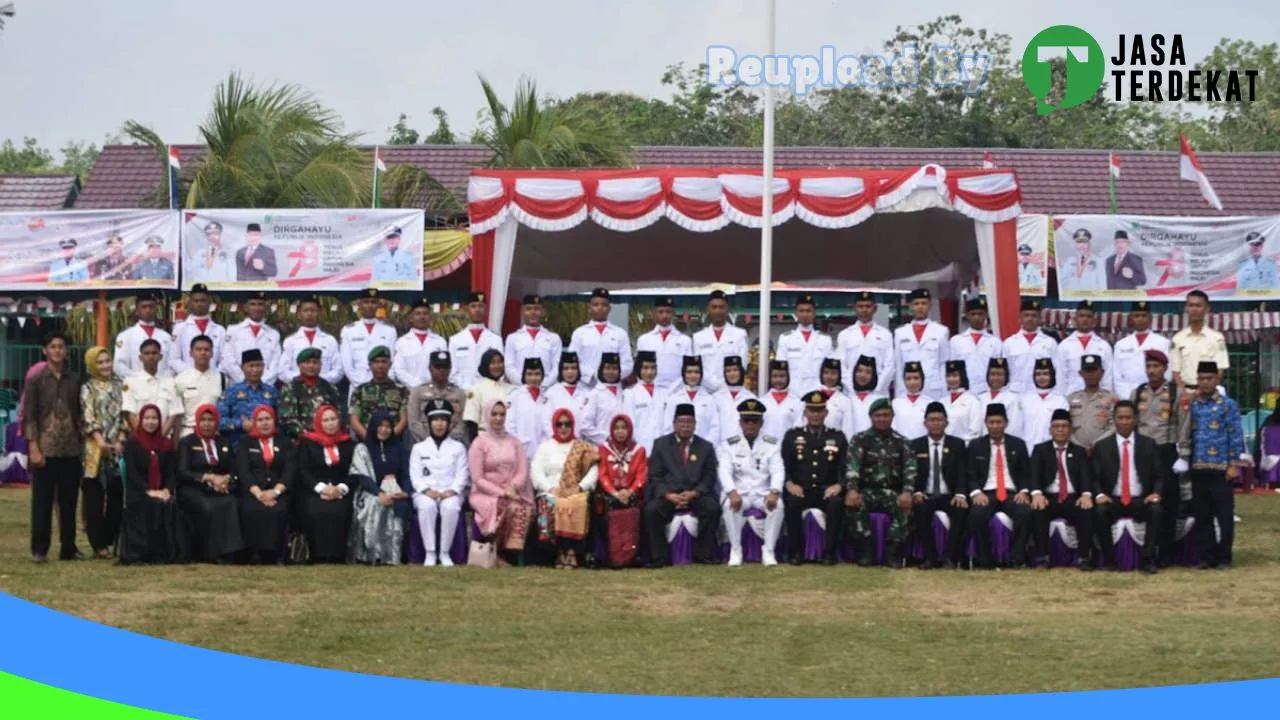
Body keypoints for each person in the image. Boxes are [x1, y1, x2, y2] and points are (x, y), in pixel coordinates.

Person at [1177, 361, 1247, 570]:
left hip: (1221, 468)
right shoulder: (1193, 405)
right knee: (1202, 515)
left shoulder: (1228, 405)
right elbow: (1186, 431)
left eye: (1209, 378)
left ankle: (1224, 557)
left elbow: (1235, 435)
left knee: (1224, 515)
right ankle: (1207, 556)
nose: (1205, 382)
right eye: (1201, 379)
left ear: (1217, 379)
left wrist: (1234, 465)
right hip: (1198, 467)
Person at [24, 333, 84, 563]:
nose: (58, 351)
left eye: (61, 347)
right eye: (53, 347)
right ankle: (40, 549)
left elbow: (79, 413)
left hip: (70, 448)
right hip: (45, 448)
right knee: (42, 501)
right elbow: (29, 417)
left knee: (69, 502)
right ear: (45, 351)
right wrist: (33, 447)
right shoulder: (36, 380)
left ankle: (68, 547)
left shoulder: (75, 379)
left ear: (66, 351)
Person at [645, 403, 721, 567]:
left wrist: (695, 493)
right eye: (681, 422)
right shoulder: (661, 444)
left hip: (695, 494)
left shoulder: (706, 447)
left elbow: (710, 476)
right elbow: (654, 475)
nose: (685, 426)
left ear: (695, 425)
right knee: (652, 511)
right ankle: (659, 557)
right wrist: (667, 494)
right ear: (674, 424)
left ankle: (703, 554)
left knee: (712, 509)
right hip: (670, 495)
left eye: (689, 422)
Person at [1091, 401, 1163, 574]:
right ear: (1114, 420)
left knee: (1156, 510)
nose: (1124, 421)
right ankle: (1109, 560)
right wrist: (1100, 494)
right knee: (1100, 512)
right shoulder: (1102, 446)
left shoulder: (1148, 444)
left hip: (1140, 499)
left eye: (1128, 417)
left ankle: (1148, 559)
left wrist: (1156, 493)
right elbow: (1094, 477)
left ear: (1136, 419)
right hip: (1113, 499)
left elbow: (1159, 475)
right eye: (1120, 418)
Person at [845, 395, 917, 567]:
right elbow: (852, 466)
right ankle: (866, 550)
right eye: (878, 415)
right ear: (871, 417)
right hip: (866, 491)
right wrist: (852, 490)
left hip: (892, 493)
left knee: (905, 507)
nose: (882, 419)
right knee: (854, 504)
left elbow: (910, 469)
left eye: (886, 415)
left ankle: (893, 551)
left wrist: (907, 492)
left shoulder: (902, 442)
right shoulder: (860, 439)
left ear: (892, 417)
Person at [1131, 350, 1185, 566]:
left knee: (1169, 502)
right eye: (1149, 366)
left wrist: (1182, 454)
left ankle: (1166, 554)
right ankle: (1146, 550)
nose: (1152, 371)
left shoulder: (1175, 391)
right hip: (1143, 451)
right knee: (1146, 499)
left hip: (1167, 450)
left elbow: (1183, 424)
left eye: (1156, 367)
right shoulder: (1138, 393)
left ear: (1164, 368)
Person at [781, 391, 847, 565]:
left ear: (826, 413)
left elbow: (844, 467)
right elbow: (784, 464)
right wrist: (789, 483)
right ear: (805, 413)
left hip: (827, 489)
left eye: (819, 410)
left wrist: (839, 485)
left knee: (835, 503)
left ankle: (830, 553)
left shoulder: (837, 437)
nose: (815, 414)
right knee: (792, 502)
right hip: (801, 488)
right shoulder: (792, 436)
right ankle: (795, 552)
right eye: (812, 410)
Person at [965, 403, 1034, 569]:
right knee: (977, 514)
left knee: (1024, 512)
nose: (995, 426)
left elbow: (1026, 473)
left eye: (999, 422)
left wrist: (1024, 491)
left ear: (1006, 423)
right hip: (986, 493)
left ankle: (1016, 559)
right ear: (986, 423)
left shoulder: (1018, 444)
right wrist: (976, 493)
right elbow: (970, 474)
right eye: (991, 422)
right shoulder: (976, 445)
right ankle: (985, 560)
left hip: (1011, 493)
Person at [717, 398, 784, 567]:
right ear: (740, 422)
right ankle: (736, 549)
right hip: (740, 493)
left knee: (779, 506)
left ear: (762, 423)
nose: (751, 425)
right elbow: (724, 471)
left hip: (762, 493)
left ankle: (768, 550)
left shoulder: (772, 445)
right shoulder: (728, 445)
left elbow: (778, 470)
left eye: (755, 421)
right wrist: (732, 492)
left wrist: (774, 492)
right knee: (728, 506)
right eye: (747, 421)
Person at [530, 408, 599, 569]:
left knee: (577, 504)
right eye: (559, 424)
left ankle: (571, 552)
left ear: (572, 425)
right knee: (554, 503)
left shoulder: (582, 447)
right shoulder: (545, 447)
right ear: (554, 426)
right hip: (551, 491)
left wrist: (580, 487)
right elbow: (536, 470)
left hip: (575, 492)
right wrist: (550, 488)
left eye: (567, 424)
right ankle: (560, 552)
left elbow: (593, 471)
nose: (563, 428)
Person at [468, 398, 534, 565]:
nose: (498, 418)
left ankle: (508, 554)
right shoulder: (479, 443)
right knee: (505, 506)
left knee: (521, 508)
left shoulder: (514, 442)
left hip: (512, 491)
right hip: (485, 494)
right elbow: (478, 478)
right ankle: (495, 555)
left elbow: (522, 471)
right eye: (494, 414)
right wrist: (501, 492)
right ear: (487, 415)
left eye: (502, 414)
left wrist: (512, 487)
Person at [176, 404, 244, 563]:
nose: (206, 424)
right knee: (209, 507)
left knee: (233, 503)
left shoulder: (222, 442)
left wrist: (226, 479)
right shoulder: (187, 442)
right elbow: (182, 472)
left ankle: (231, 553)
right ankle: (210, 553)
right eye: (203, 420)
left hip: (220, 488)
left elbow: (234, 470)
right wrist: (208, 477)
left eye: (210, 420)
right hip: (194, 488)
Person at [118, 405, 187, 564]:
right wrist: (149, 491)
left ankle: (168, 553)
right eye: (147, 418)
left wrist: (166, 489)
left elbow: (171, 472)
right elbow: (133, 475)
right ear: (141, 420)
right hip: (138, 491)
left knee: (171, 504)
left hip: (161, 490)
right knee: (149, 504)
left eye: (154, 418)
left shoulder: (166, 444)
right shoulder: (132, 443)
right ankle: (143, 553)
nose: (151, 422)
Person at [1029, 409, 1096, 570]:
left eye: (1064, 426)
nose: (1060, 429)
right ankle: (1042, 557)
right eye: (1056, 426)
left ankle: (1083, 557)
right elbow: (1033, 475)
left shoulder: (1079, 451)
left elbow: (1087, 476)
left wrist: (1086, 495)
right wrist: (1037, 493)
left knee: (1086, 509)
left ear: (1071, 430)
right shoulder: (1040, 450)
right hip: (1049, 497)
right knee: (1038, 509)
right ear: (1050, 430)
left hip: (1072, 497)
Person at [81, 346, 128, 560]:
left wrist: (120, 439)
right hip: (94, 449)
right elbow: (88, 416)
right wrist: (101, 443)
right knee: (94, 497)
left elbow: (125, 414)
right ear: (92, 365)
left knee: (117, 494)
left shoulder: (120, 385)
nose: (105, 365)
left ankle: (110, 538)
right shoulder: (88, 388)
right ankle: (98, 544)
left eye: (107, 360)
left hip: (117, 447)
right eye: (99, 362)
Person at [409, 399, 470, 567]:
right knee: (426, 506)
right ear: (429, 423)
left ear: (449, 423)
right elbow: (415, 475)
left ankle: (444, 553)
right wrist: (426, 490)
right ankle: (429, 553)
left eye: (443, 420)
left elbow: (462, 473)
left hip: (450, 492)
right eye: (435, 420)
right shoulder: (419, 448)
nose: (439, 424)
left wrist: (452, 490)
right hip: (425, 492)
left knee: (450, 507)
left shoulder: (458, 447)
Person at [294, 405, 358, 564]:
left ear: (339, 421)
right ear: (318, 422)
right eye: (325, 420)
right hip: (314, 490)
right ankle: (317, 555)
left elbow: (354, 470)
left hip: (341, 490)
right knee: (316, 510)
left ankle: (338, 556)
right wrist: (321, 488)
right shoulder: (307, 443)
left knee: (341, 511)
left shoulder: (349, 444)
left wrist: (341, 489)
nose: (330, 424)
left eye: (333, 419)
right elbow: (303, 470)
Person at [348, 411, 413, 565]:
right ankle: (371, 555)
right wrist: (379, 493)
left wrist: (405, 491)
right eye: (380, 426)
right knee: (375, 504)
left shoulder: (399, 448)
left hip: (396, 492)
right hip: (370, 491)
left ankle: (392, 557)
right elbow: (363, 477)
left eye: (388, 426)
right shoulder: (362, 448)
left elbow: (406, 473)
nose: (384, 430)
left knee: (400, 506)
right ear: (373, 427)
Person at [910, 402, 968, 568]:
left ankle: (950, 558)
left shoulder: (957, 445)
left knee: (961, 509)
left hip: (949, 495)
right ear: (925, 423)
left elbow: (963, 473)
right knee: (920, 510)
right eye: (932, 420)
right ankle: (930, 557)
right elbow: (910, 472)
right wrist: (916, 492)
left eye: (939, 419)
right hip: (925, 495)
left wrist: (960, 494)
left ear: (946, 423)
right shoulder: (915, 445)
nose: (936, 423)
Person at [235, 405, 292, 565]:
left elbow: (289, 471)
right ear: (254, 422)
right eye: (260, 420)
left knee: (277, 510)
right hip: (253, 492)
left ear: (274, 421)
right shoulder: (246, 442)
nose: (264, 423)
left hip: (278, 491)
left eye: (268, 419)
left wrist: (275, 492)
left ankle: (274, 555)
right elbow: (244, 472)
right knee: (250, 510)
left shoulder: (284, 442)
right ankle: (254, 553)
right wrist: (259, 494)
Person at [596, 414, 648, 567]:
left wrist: (630, 492)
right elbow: (602, 474)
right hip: (609, 495)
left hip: (633, 496)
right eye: (617, 428)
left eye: (624, 428)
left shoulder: (639, 450)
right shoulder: (604, 449)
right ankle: (608, 557)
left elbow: (641, 476)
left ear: (630, 430)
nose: (620, 431)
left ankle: (633, 556)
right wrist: (615, 493)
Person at [568, 288, 634, 388]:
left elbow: (628, 364)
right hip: (585, 387)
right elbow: (572, 361)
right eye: (596, 305)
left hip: (612, 388)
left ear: (609, 308)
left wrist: (611, 375)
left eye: (604, 305)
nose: (600, 308)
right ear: (589, 307)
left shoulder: (620, 333)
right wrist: (592, 374)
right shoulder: (580, 333)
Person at [340, 288, 399, 401]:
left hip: (385, 388)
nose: (370, 305)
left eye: (373, 302)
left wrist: (382, 382)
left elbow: (392, 361)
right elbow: (347, 365)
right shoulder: (348, 330)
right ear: (359, 304)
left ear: (378, 305)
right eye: (366, 302)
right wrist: (363, 383)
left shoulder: (389, 330)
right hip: (358, 388)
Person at [893, 288, 950, 400]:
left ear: (930, 305)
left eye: (924, 303)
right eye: (916, 304)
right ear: (910, 306)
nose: (920, 307)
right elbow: (899, 367)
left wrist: (944, 394)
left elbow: (943, 364)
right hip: (908, 389)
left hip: (933, 389)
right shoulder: (900, 333)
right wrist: (899, 395)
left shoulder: (941, 331)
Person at [277, 347, 342, 443]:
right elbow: (286, 420)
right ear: (299, 365)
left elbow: (339, 415)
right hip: (301, 441)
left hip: (329, 439)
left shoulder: (330, 388)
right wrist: (309, 435)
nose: (311, 366)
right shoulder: (290, 389)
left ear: (320, 365)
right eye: (307, 362)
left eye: (315, 362)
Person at [835, 291, 894, 396]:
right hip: (851, 393)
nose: (864, 310)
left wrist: (876, 388)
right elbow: (841, 365)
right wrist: (853, 388)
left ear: (875, 308)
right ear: (854, 308)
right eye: (860, 306)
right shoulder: (844, 335)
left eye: (868, 306)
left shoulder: (885, 334)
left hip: (878, 392)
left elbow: (889, 365)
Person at [218, 349, 278, 448]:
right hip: (238, 446)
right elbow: (219, 421)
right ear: (242, 368)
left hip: (266, 446)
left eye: (258, 365)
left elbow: (278, 421)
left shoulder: (272, 392)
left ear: (263, 367)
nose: (255, 370)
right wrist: (241, 424)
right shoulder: (231, 391)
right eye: (251, 366)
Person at [277, 295, 343, 385]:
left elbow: (338, 370)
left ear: (320, 313)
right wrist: (303, 381)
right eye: (305, 310)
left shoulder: (330, 340)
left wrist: (319, 381)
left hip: (323, 390)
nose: (309, 314)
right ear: (299, 314)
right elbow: (282, 371)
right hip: (297, 391)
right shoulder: (290, 341)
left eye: (313, 310)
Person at [121, 339, 182, 436]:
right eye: (146, 353)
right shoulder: (130, 382)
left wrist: (159, 438)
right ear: (140, 357)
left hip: (164, 439)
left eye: (154, 353)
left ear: (160, 357)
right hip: (139, 440)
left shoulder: (171, 382)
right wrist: (146, 439)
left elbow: (174, 414)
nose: (151, 356)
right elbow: (129, 412)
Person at [1112, 301, 1172, 399]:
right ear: (1131, 318)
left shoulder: (1163, 342)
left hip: (1154, 396)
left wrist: (1156, 395)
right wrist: (1125, 397)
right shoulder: (1121, 345)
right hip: (1126, 396)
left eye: (1144, 316)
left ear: (1150, 318)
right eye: (1136, 316)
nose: (1140, 319)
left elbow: (1168, 373)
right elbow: (1117, 376)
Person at [691, 290, 748, 394]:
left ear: (727, 309)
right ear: (708, 309)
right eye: (714, 307)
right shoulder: (699, 337)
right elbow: (696, 366)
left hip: (730, 391)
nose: (718, 311)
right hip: (705, 392)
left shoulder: (739, 335)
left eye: (721, 307)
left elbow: (742, 365)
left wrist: (724, 386)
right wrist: (710, 385)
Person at [1170, 291, 1229, 390]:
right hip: (1185, 394)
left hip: (1209, 394)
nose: (1194, 309)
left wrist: (1204, 391)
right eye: (1191, 305)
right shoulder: (1178, 338)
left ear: (1207, 309)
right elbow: (1176, 371)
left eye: (1198, 305)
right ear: (1186, 308)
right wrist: (1182, 392)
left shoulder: (1217, 338)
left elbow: (1220, 369)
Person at [220, 291, 282, 385]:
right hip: (238, 386)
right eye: (253, 304)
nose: (257, 308)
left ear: (265, 307)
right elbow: (228, 360)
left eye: (260, 304)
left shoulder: (273, 334)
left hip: (265, 387)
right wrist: (244, 381)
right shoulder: (233, 331)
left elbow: (276, 363)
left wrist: (262, 383)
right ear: (246, 307)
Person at [407, 350, 468, 445]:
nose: (442, 370)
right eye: (438, 367)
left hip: (453, 444)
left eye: (445, 367)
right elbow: (413, 422)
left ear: (450, 369)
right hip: (422, 443)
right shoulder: (417, 392)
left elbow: (463, 422)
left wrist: (448, 441)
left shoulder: (460, 394)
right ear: (430, 368)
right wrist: (431, 440)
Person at [349, 346, 410, 440]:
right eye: (376, 362)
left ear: (390, 365)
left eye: (384, 362)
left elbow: (404, 420)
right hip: (367, 441)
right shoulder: (360, 391)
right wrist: (369, 439)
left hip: (394, 442)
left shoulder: (402, 390)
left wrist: (389, 439)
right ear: (370, 365)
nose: (380, 366)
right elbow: (354, 420)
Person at [503, 294, 563, 389]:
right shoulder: (512, 338)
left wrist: (543, 385)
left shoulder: (554, 338)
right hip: (519, 390)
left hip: (547, 390)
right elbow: (509, 366)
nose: (533, 312)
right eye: (528, 309)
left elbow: (557, 366)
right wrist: (524, 384)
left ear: (543, 312)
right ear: (522, 311)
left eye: (537, 309)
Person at [446, 292, 503, 391]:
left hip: (489, 392)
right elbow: (451, 371)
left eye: (481, 306)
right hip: (463, 392)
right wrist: (467, 389)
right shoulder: (455, 340)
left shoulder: (496, 340)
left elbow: (501, 370)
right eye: (473, 306)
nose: (477, 310)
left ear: (486, 311)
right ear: (467, 310)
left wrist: (487, 388)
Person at [777, 294, 834, 392]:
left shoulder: (825, 340)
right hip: (793, 391)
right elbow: (780, 370)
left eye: (808, 311)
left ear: (814, 313)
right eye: (801, 311)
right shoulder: (785, 339)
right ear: (796, 313)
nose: (805, 314)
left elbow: (831, 370)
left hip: (818, 392)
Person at [1003, 298, 1060, 395]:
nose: (1030, 319)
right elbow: (1004, 372)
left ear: (1040, 319)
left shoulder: (1050, 343)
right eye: (1026, 315)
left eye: (1034, 316)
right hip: (1015, 394)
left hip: (1041, 394)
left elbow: (1057, 371)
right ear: (1020, 318)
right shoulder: (1009, 343)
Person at [635, 296, 692, 392]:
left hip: (678, 391)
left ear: (673, 313)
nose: (665, 315)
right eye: (661, 312)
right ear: (654, 314)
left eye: (668, 312)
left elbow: (688, 368)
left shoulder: (685, 340)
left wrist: (675, 388)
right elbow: (639, 368)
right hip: (651, 391)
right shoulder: (644, 340)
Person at [1057, 301, 1114, 395]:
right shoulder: (1064, 346)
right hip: (1071, 397)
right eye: (1081, 316)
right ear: (1075, 319)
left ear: (1094, 320)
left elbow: (1107, 377)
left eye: (1088, 316)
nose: (1085, 319)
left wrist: (1105, 399)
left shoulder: (1104, 346)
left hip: (1097, 399)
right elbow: (1060, 377)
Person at [114, 292, 175, 380]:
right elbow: (119, 365)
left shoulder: (166, 337)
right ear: (137, 311)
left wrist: (162, 379)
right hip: (135, 385)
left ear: (156, 310)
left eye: (151, 306)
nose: (148, 310)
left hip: (162, 385)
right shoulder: (125, 336)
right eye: (144, 307)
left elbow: (172, 364)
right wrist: (139, 379)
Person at [173, 335, 224, 440]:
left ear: (212, 353)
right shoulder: (180, 379)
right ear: (191, 353)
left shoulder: (222, 379)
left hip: (214, 435)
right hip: (188, 433)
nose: (203, 353)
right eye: (198, 349)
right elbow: (176, 414)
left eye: (207, 349)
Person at [949, 297, 1002, 395]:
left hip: (987, 392)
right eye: (973, 314)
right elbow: (952, 370)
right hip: (963, 392)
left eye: (980, 314)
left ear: (986, 315)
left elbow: (998, 372)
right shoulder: (956, 341)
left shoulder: (995, 342)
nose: (977, 317)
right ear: (967, 315)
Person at [663, 355, 720, 445]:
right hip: (678, 451)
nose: (693, 375)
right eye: (689, 372)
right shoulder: (673, 399)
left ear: (701, 374)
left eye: (696, 372)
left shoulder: (710, 400)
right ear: (683, 374)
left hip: (704, 452)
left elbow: (714, 428)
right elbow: (668, 428)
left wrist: (704, 449)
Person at [170, 284, 227, 375]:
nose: (199, 304)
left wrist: (213, 374)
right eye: (196, 301)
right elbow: (174, 359)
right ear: (190, 303)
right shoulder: (179, 328)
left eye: (203, 300)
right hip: (188, 381)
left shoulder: (220, 330)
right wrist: (193, 374)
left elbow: (225, 359)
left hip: (213, 380)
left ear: (209, 302)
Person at [391, 297, 447, 388]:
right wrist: (417, 385)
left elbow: (444, 368)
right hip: (410, 391)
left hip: (435, 390)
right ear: (411, 318)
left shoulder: (440, 342)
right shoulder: (401, 342)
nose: (422, 317)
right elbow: (398, 369)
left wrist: (431, 385)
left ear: (430, 317)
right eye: (418, 314)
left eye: (425, 314)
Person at [463, 349, 516, 441]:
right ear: (485, 365)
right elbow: (471, 423)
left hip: (508, 441)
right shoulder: (476, 390)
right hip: (484, 440)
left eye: (500, 362)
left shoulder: (513, 389)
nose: (497, 366)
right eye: (492, 363)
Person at [1067, 355, 1117, 452]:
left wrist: (1097, 444)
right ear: (1081, 373)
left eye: (1094, 370)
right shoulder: (1071, 399)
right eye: (1087, 371)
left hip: (1103, 449)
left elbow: (1114, 426)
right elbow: (1067, 426)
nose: (1090, 374)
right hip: (1076, 450)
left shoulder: (1112, 398)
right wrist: (1078, 445)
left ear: (1102, 373)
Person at [544, 351, 595, 442]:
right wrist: (557, 440)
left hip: (582, 444)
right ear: (560, 370)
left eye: (573, 368)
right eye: (566, 368)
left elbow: (589, 423)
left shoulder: (587, 393)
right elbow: (546, 422)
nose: (570, 371)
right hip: (558, 444)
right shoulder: (551, 393)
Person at [507, 357, 550, 460]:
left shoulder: (547, 397)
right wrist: (518, 444)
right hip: (521, 451)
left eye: (537, 374)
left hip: (543, 452)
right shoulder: (515, 396)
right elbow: (509, 426)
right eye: (529, 374)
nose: (533, 378)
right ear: (524, 376)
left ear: (542, 376)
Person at [1021, 358, 1070, 448]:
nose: (1041, 377)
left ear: (1052, 375)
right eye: (1038, 374)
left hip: (1051, 451)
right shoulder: (1025, 400)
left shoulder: (1060, 401)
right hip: (1028, 449)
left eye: (1045, 374)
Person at [623, 351, 665, 455]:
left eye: (653, 368)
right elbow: (629, 424)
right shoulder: (630, 393)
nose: (649, 372)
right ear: (638, 369)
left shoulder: (665, 393)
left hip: (663, 449)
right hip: (639, 449)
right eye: (645, 368)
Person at [582, 352, 626, 447]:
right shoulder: (594, 394)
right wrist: (606, 438)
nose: (611, 372)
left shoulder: (624, 394)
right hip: (600, 447)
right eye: (607, 368)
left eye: (614, 368)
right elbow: (585, 425)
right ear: (601, 369)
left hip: (622, 447)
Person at [976, 357, 1024, 439]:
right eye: (993, 374)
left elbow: (1014, 427)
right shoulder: (980, 398)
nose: (996, 378)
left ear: (1006, 376)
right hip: (982, 444)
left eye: (1000, 374)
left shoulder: (1013, 398)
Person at [713, 355, 757, 442]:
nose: (732, 374)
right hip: (720, 450)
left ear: (741, 372)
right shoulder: (716, 398)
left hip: (743, 449)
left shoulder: (751, 398)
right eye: (728, 371)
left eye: (735, 370)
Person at [760, 359, 803, 443]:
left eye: (782, 376)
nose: (778, 380)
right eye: (775, 376)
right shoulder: (762, 402)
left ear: (788, 377)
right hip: (765, 449)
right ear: (770, 377)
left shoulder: (797, 402)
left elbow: (798, 429)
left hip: (788, 448)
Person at [942, 359, 983, 442]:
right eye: (948, 376)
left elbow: (975, 431)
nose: (951, 379)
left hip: (964, 449)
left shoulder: (973, 401)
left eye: (955, 375)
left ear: (962, 376)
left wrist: (960, 446)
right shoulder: (942, 401)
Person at [848, 355, 887, 436]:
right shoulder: (847, 397)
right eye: (859, 371)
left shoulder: (880, 400)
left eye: (868, 372)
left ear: (873, 376)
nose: (863, 375)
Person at [891, 361, 929, 440]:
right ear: (904, 381)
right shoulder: (895, 403)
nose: (912, 382)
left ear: (922, 379)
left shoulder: (930, 403)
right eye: (908, 378)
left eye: (916, 378)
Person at [189, 220, 233, 285]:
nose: (212, 237)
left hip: (222, 289)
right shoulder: (199, 253)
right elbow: (191, 271)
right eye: (209, 234)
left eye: (215, 234)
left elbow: (232, 276)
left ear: (221, 235)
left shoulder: (228, 253)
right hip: (204, 289)